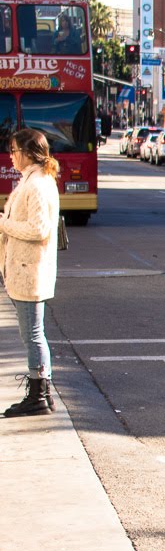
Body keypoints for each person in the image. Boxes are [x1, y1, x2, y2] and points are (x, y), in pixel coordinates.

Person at [1, 128, 61, 418]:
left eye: (14, 150)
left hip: (30, 270)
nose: (10, 156)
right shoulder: (33, 180)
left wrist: (4, 224)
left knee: (33, 334)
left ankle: (39, 393)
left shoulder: (37, 184)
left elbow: (39, 230)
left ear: (28, 152)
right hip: (25, 269)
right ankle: (41, 393)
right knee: (33, 333)